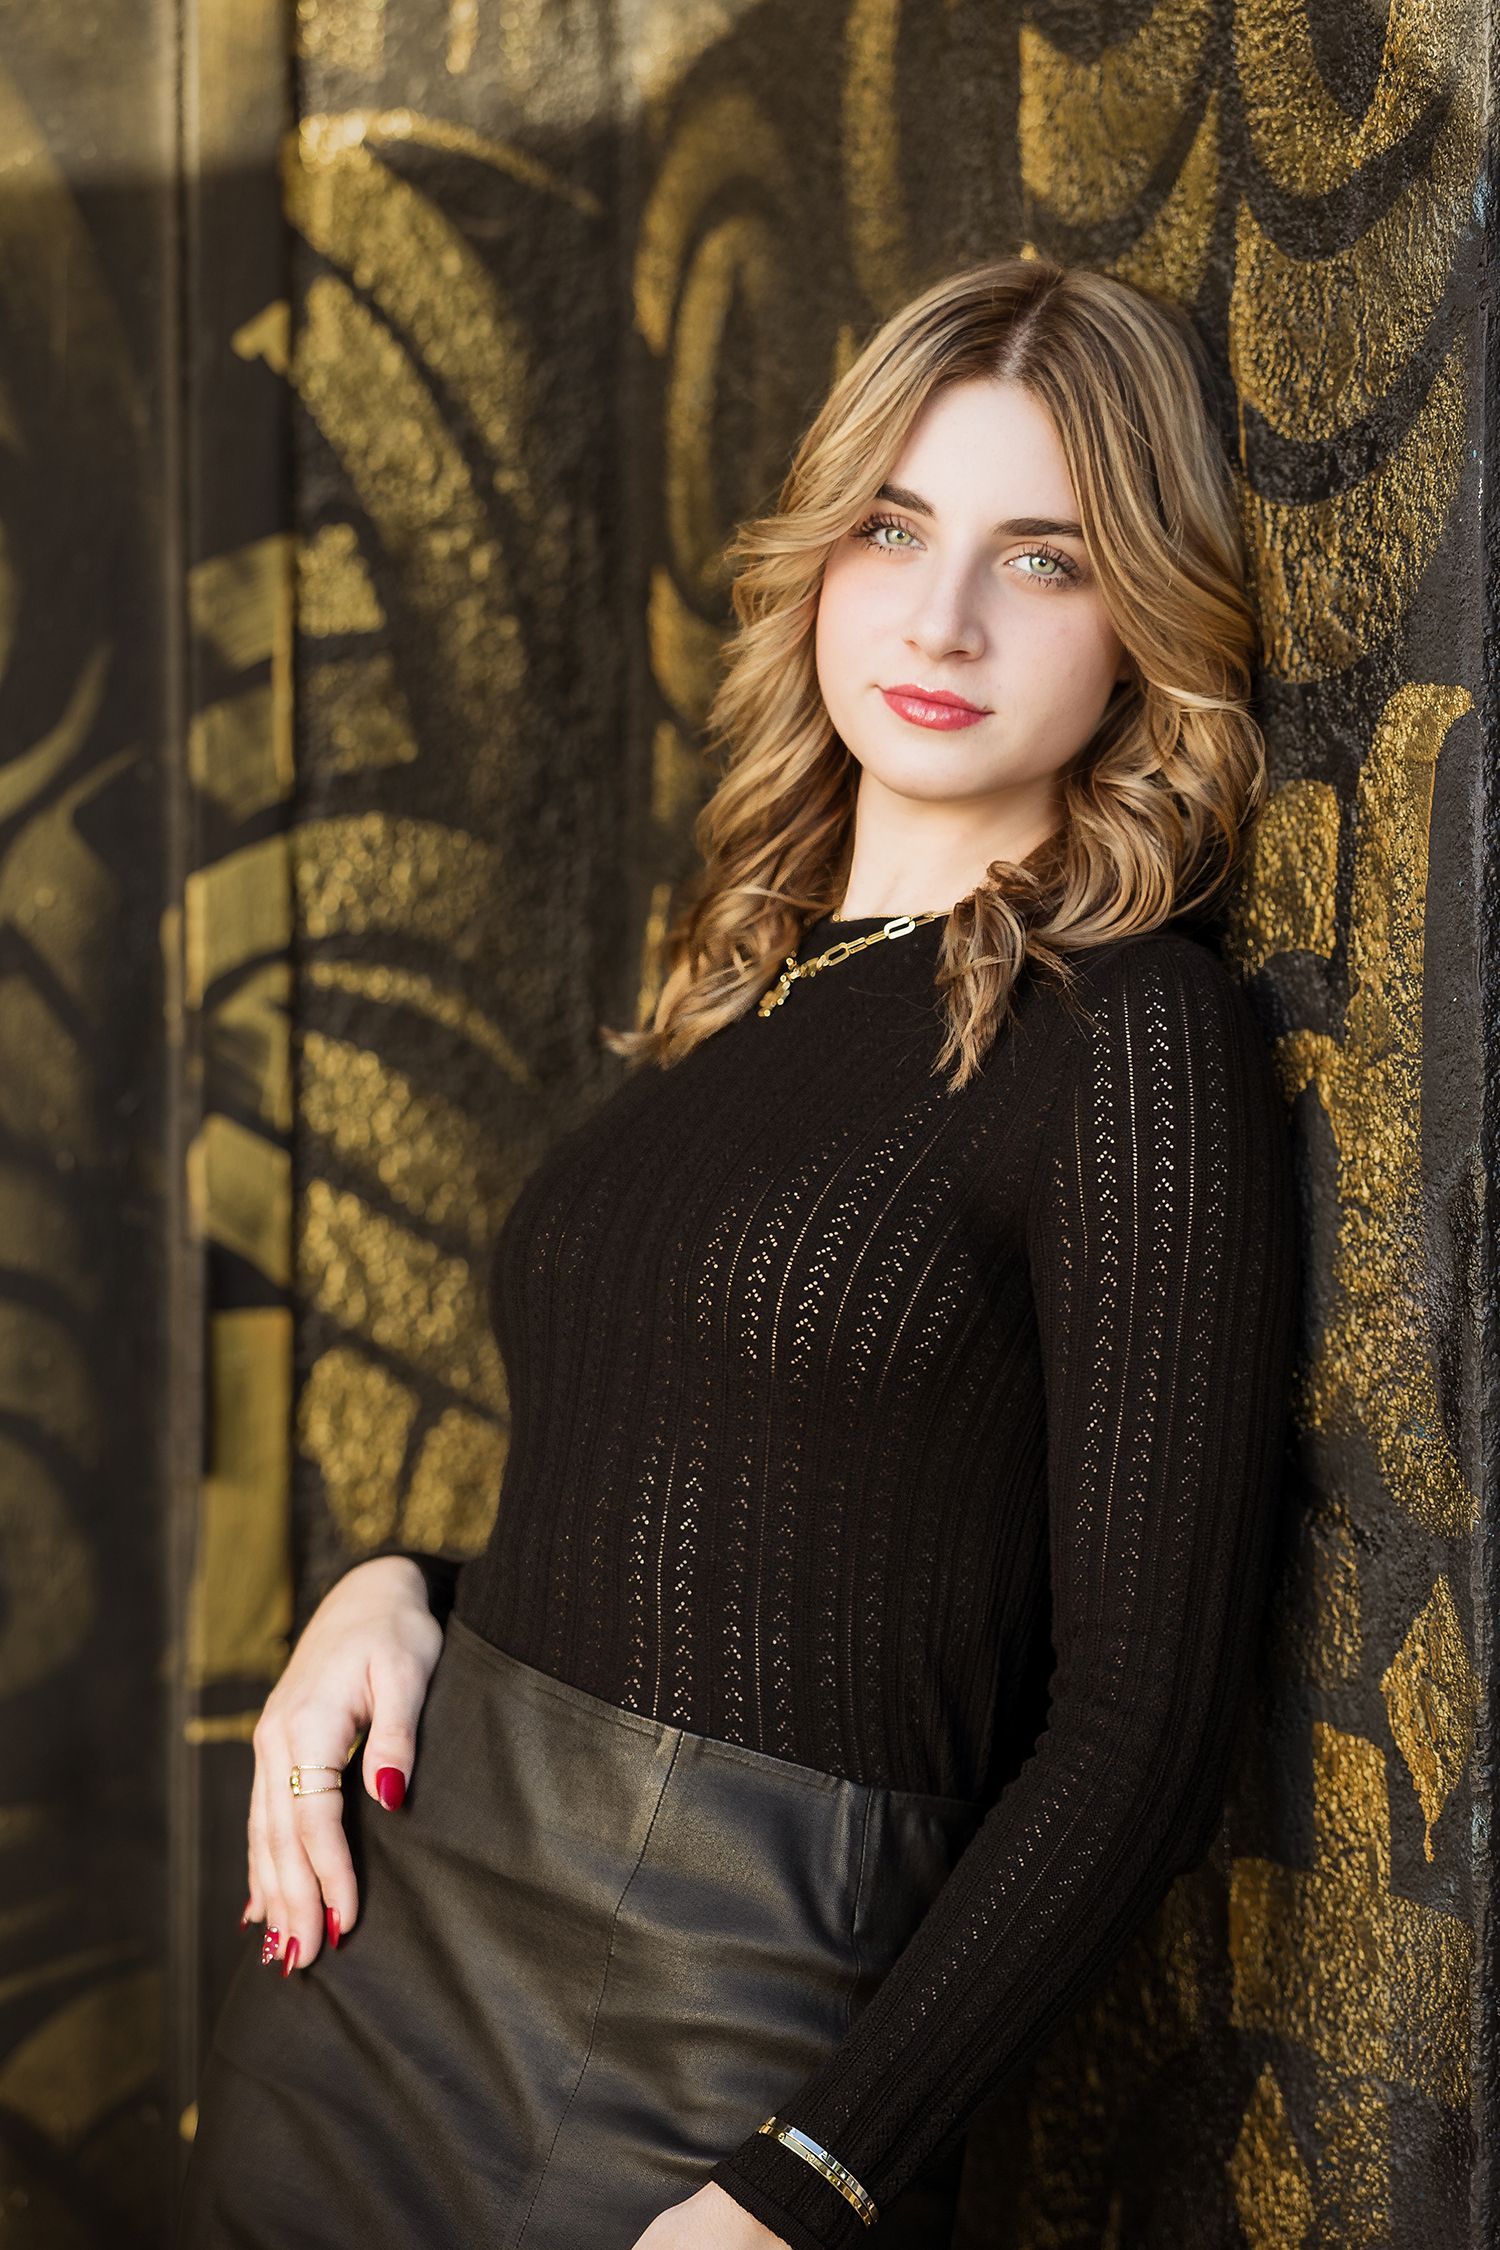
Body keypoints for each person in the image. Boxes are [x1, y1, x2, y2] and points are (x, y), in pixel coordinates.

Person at [178, 253, 1301, 2250]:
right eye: (897, 527)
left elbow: (1141, 1721)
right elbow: (704, 1499)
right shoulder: (756, 979)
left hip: (712, 2039)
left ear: (1146, 620)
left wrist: (813, 2173)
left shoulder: (1132, 1035)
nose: (942, 617)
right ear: (820, 555)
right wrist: (399, 1584)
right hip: (386, 1976)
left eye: (1045, 560)